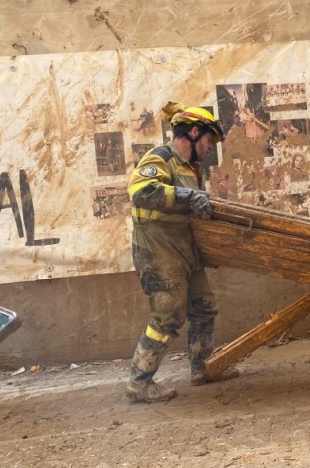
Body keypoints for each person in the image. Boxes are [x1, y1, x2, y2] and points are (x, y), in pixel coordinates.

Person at [125, 102, 238, 403]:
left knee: (203, 307)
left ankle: (202, 368)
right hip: (158, 249)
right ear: (193, 132)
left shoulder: (191, 169)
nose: (210, 147)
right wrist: (188, 196)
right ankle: (140, 381)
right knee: (167, 316)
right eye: (208, 140)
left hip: (185, 249)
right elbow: (141, 191)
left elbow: (190, 208)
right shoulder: (162, 158)